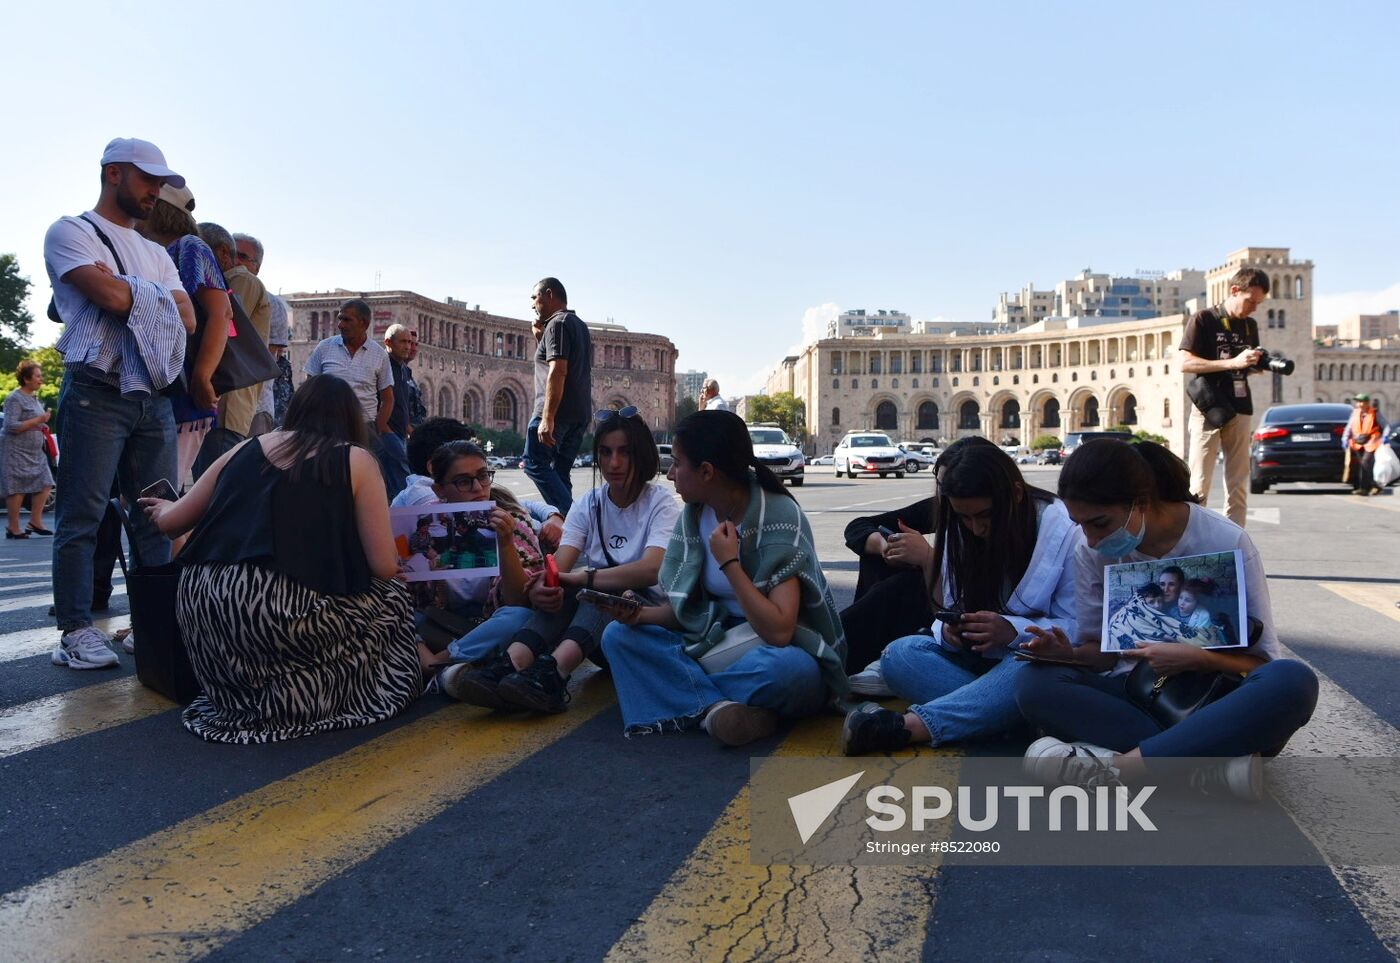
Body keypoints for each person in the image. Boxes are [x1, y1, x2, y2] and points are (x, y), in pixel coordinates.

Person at [1014, 439, 1319, 796]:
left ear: (1140, 504)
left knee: (1292, 680)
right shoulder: (1090, 552)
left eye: (1099, 523)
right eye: (1079, 525)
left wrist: (1200, 659)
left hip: (1214, 702)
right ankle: (1204, 768)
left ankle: (1122, 770)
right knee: (1033, 683)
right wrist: (1068, 654)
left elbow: (1260, 663)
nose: (1092, 541)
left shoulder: (1226, 539)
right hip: (1134, 698)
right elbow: (1103, 653)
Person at [138, 375, 422, 743]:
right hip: (279, 609)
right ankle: (339, 689)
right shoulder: (357, 458)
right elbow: (383, 565)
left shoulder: (244, 449)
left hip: (203, 603)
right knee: (393, 598)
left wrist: (161, 506)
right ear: (350, 419)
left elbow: (172, 523)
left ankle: (247, 695)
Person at [600, 410, 847, 746]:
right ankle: (719, 711)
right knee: (618, 637)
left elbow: (780, 630)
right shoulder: (694, 514)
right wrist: (637, 615)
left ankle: (684, 694)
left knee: (791, 672)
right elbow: (685, 609)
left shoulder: (778, 516)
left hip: (770, 649)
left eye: (677, 463)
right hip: (710, 638)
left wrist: (730, 562)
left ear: (706, 472)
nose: (670, 473)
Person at [45, 136, 196, 670]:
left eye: (161, 182)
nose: (156, 191)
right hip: (96, 389)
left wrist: (127, 287)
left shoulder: (156, 250)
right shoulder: (71, 232)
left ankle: (149, 620)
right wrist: (148, 294)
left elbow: (188, 318)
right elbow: (106, 298)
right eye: (147, 179)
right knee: (81, 514)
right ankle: (75, 630)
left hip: (152, 394)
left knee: (156, 513)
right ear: (113, 174)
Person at [841, 441, 1081, 755]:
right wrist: (953, 632)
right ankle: (1006, 715)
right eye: (966, 518)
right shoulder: (959, 528)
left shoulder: (1065, 532)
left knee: (1026, 673)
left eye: (984, 516)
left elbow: (1081, 630)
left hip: (1030, 665)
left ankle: (910, 727)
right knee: (899, 654)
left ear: (1016, 495)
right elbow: (949, 607)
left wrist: (1011, 630)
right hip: (976, 666)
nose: (976, 528)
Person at [440, 407, 679, 713]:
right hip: (598, 639)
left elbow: (650, 569)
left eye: (625, 453)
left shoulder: (661, 503)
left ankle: (553, 674)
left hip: (644, 629)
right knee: (562, 589)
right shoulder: (589, 503)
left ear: (642, 455)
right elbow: (561, 566)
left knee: (603, 589)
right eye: (605, 452)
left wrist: (584, 578)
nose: (613, 463)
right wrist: (545, 588)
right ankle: (512, 663)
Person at [406, 440, 545, 656]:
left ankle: (443, 664)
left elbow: (519, 600)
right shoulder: (423, 522)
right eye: (463, 482)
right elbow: (411, 602)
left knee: (519, 618)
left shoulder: (513, 520)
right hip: (438, 623)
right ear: (439, 489)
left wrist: (506, 544)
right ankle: (454, 665)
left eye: (483, 476)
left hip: (492, 624)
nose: (478, 488)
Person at [135, 186, 232, 485]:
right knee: (149, 493)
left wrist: (202, 376)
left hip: (184, 389)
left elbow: (221, 313)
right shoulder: (144, 249)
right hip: (156, 384)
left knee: (160, 492)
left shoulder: (190, 246)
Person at [1179, 267, 1270, 527]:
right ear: (1234, 290)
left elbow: (1244, 365)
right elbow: (1185, 363)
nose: (1254, 308)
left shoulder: (1249, 325)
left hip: (1240, 406)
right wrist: (1232, 363)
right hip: (1208, 407)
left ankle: (1235, 541)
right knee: (1199, 482)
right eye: (1250, 301)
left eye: (1259, 303)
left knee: (1238, 482)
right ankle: (1193, 540)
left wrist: (1255, 365)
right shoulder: (1203, 319)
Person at [394, 416, 565, 551]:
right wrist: (543, 525)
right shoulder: (423, 497)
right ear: (433, 466)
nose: (477, 487)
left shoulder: (450, 490)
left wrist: (552, 515)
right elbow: (514, 520)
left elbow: (512, 502)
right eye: (463, 449)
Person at [303, 298, 397, 495]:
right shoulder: (325, 347)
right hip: (326, 426)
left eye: (347, 320)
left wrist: (377, 428)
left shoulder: (379, 355)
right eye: (340, 319)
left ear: (364, 323)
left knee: (359, 482)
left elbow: (388, 398)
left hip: (364, 428)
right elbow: (309, 387)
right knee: (325, 479)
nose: (340, 324)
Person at [524, 277, 592, 515]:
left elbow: (558, 369)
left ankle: (575, 522)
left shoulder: (558, 324)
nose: (533, 304)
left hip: (557, 412)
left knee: (534, 463)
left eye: (535, 297)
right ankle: (568, 532)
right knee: (560, 471)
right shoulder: (579, 325)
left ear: (549, 294)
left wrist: (547, 417)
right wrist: (540, 338)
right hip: (579, 414)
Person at [204, 223, 270, 439]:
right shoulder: (230, 279)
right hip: (225, 404)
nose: (236, 261)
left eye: (243, 256)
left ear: (257, 266)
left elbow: (224, 322)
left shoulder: (242, 279)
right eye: (234, 253)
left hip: (226, 404)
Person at [3, 360, 55, 539]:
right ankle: (13, 527)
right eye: (38, 376)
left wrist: (43, 426)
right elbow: (11, 425)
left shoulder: (34, 398)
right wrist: (38, 420)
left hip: (34, 451)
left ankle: (35, 520)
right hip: (16, 449)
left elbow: (34, 422)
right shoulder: (14, 398)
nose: (41, 380)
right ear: (26, 379)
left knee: (46, 481)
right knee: (17, 487)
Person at [379, 323, 420, 496]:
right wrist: (384, 429)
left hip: (399, 434)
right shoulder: (382, 365)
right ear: (388, 342)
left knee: (397, 482)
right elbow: (377, 400)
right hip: (387, 433)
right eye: (403, 342)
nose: (408, 347)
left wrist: (409, 430)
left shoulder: (402, 368)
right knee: (402, 484)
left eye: (410, 342)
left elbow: (400, 405)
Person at [1343, 393, 1388, 496]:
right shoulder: (1355, 413)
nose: (1359, 404)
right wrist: (1344, 438)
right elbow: (1349, 427)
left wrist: (1385, 437)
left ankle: (1364, 488)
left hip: (1371, 442)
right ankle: (1374, 486)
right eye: (1358, 402)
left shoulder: (1374, 413)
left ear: (1367, 403)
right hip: (1358, 443)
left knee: (1365, 463)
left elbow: (1386, 426)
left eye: (1362, 402)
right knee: (1361, 465)